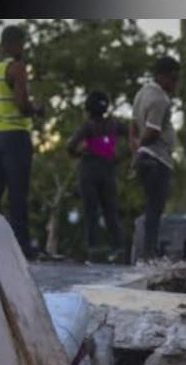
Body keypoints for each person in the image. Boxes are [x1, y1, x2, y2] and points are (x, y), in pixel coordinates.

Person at [0, 25, 43, 257]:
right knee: (17, 192)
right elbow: (21, 103)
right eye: (22, 44)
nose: (23, 49)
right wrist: (36, 109)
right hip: (15, 134)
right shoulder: (16, 68)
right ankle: (21, 246)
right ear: (14, 45)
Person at [67, 90, 128, 263]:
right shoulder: (114, 125)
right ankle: (118, 249)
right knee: (111, 212)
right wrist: (118, 155)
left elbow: (71, 147)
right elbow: (131, 133)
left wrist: (85, 150)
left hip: (89, 170)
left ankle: (92, 250)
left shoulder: (88, 126)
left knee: (90, 212)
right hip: (107, 170)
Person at [129, 56, 179, 262]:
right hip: (157, 159)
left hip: (145, 157)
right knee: (154, 209)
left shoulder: (142, 93)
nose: (176, 84)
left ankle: (146, 253)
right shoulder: (160, 99)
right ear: (164, 76)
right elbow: (152, 131)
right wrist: (141, 146)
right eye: (174, 78)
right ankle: (148, 255)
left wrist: (135, 149)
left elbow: (132, 124)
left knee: (150, 206)